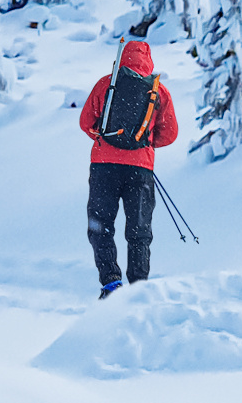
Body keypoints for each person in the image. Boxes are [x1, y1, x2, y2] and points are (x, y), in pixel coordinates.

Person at [75, 35, 180, 293]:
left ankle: (111, 282)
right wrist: (144, 144)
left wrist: (106, 139)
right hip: (140, 170)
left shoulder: (106, 85)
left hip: (103, 167)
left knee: (101, 226)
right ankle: (138, 289)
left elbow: (85, 122)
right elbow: (171, 133)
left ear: (122, 59)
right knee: (139, 230)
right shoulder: (158, 91)